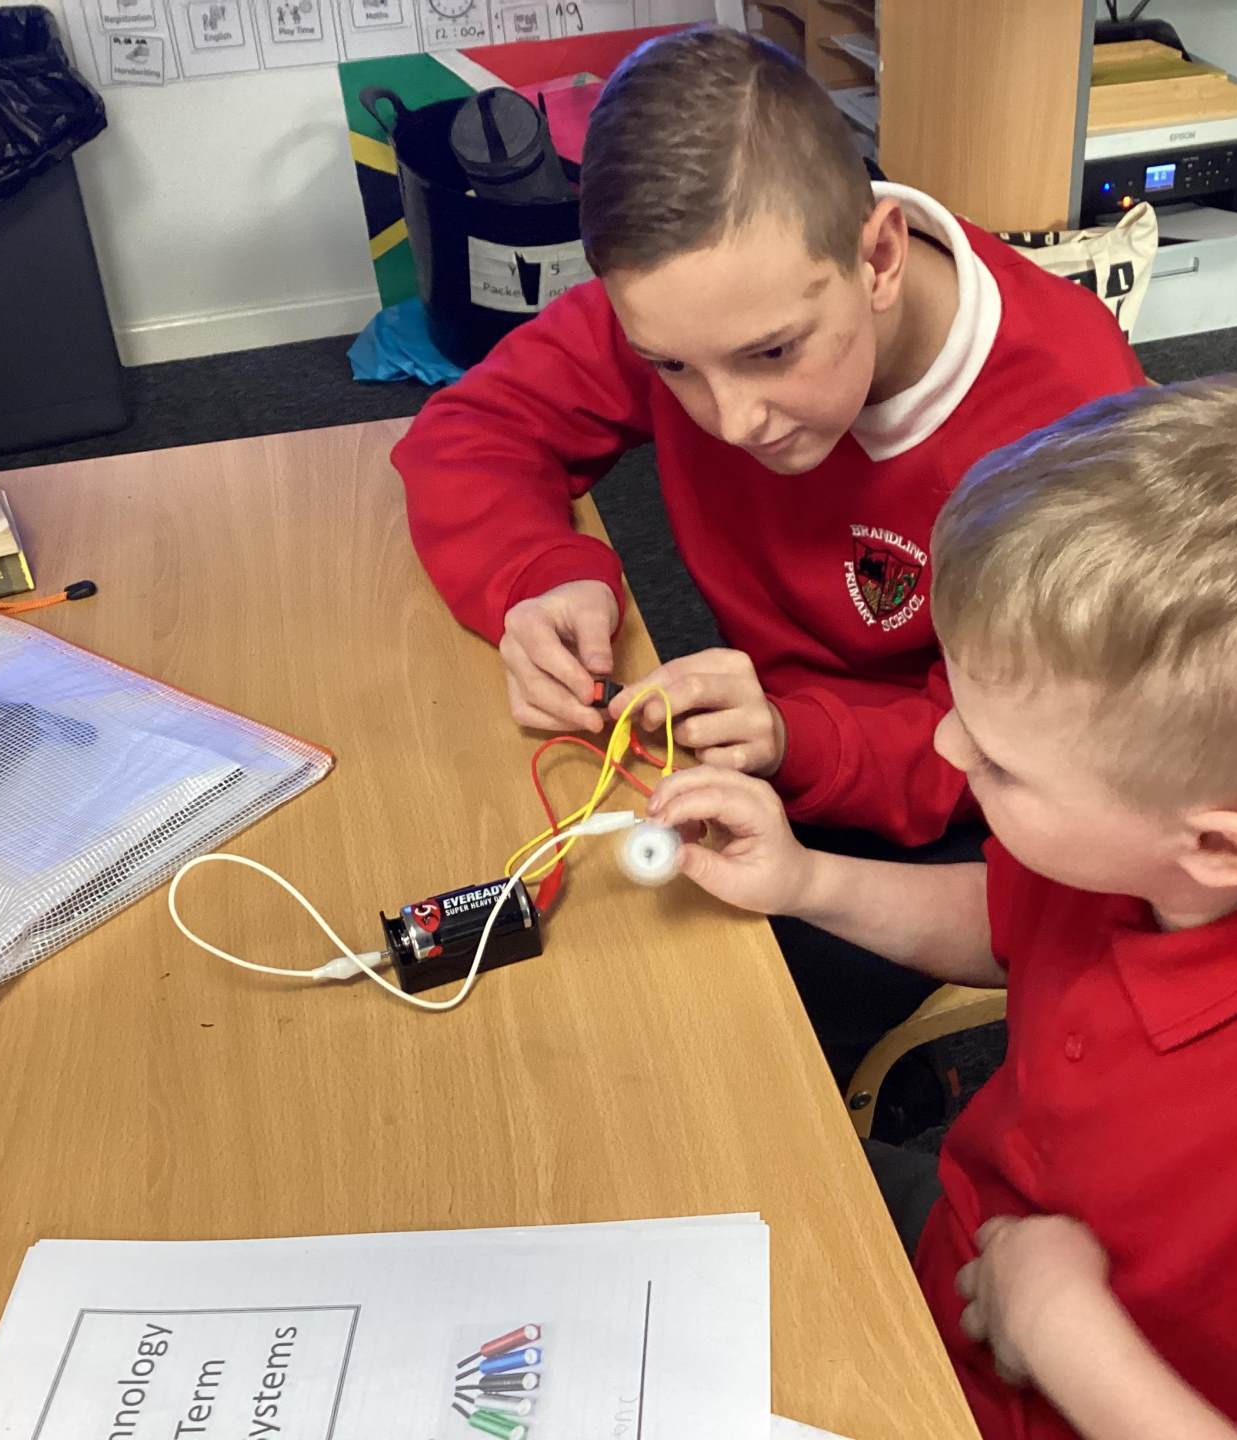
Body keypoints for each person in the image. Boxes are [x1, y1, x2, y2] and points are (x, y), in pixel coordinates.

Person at [643, 373, 1237, 1438]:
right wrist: (808, 880)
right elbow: (1012, 928)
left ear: (1217, 847)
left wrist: (1064, 1330)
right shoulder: (1176, 844)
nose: (945, 744)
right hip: (969, 1256)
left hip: (1038, 1370)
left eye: (999, 761)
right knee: (666, 1164)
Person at [393, 24, 1143, 1076]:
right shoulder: (706, 296)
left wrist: (797, 740)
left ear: (878, 257)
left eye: (772, 354)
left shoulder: (1070, 423)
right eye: (671, 368)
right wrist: (538, 577)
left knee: (699, 1038)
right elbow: (472, 431)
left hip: (975, 788)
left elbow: (1024, 753)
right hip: (771, 738)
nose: (730, 418)